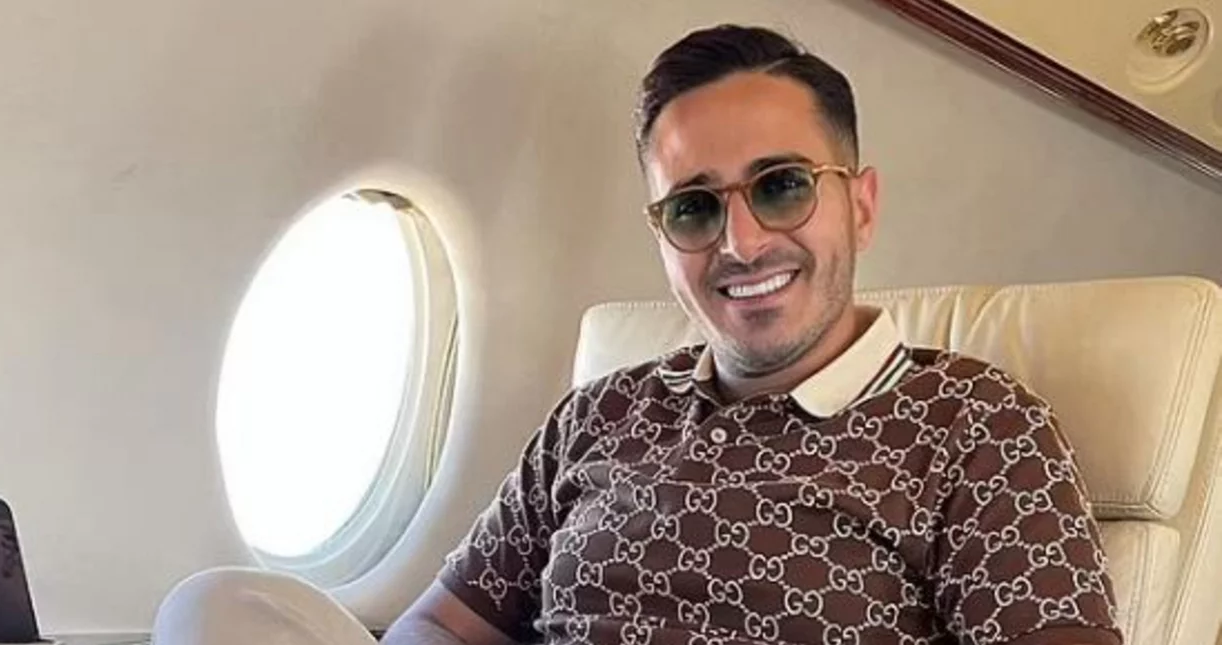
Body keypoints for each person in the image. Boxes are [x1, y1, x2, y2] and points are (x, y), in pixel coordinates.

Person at [156, 24, 1123, 645]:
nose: (742, 242)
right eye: (694, 207)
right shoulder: (602, 411)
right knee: (215, 607)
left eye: (782, 186)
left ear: (860, 204)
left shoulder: (976, 424)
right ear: (663, 235)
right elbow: (443, 625)